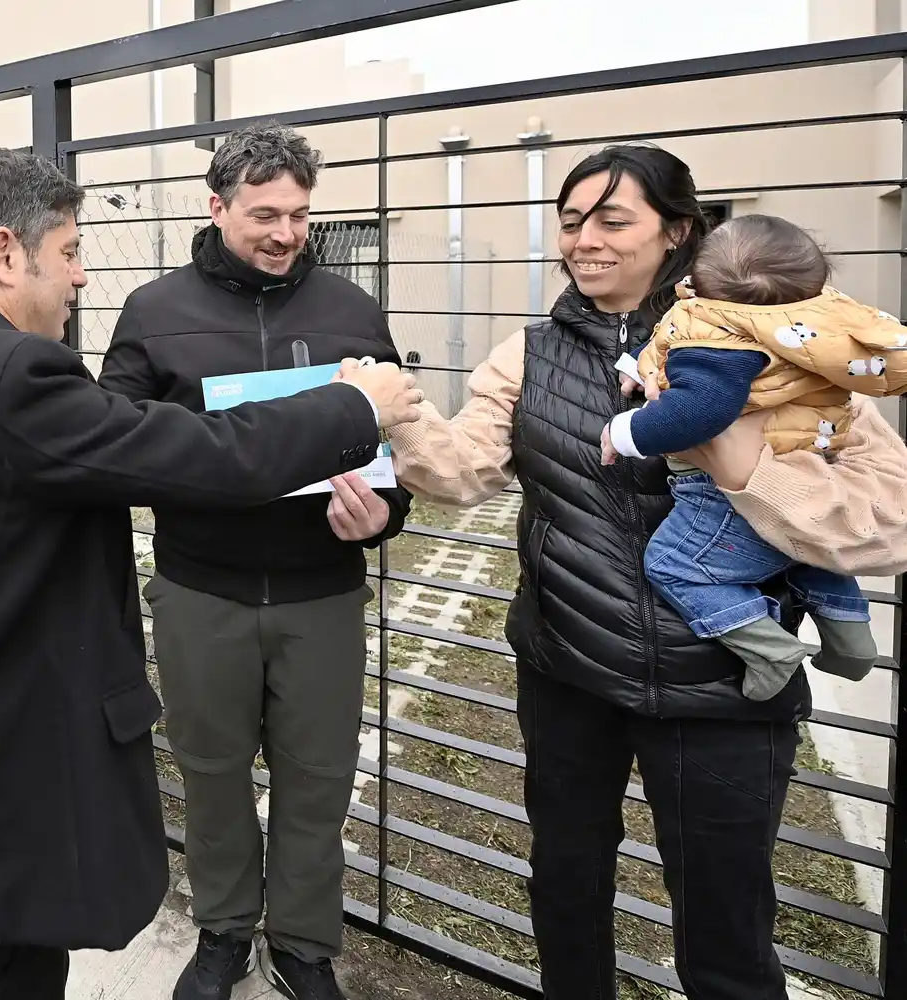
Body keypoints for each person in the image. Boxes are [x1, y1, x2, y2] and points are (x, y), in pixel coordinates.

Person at [0, 146, 421, 1000]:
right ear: (2, 254)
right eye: (68, 252)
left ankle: (297, 942)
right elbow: (197, 453)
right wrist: (357, 407)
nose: (82, 279)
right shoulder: (10, 375)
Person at [383, 142, 907, 1000]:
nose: (584, 240)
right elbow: (464, 473)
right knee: (565, 884)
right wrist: (399, 421)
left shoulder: (782, 341)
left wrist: (747, 469)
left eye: (612, 219)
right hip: (568, 672)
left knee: (726, 922)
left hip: (726, 688)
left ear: (677, 232)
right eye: (570, 221)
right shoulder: (527, 355)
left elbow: (889, 518)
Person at [97, 121, 410, 1000]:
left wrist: (381, 518)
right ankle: (225, 931)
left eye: (301, 217)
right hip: (202, 589)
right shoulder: (155, 311)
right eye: (265, 214)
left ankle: (305, 944)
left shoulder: (352, 310)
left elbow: (395, 444)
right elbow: (116, 440)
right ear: (218, 205)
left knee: (318, 778)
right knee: (211, 772)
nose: (285, 234)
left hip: (323, 591)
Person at [601, 214, 904, 702]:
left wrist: (624, 430)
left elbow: (697, 411)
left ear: (699, 281)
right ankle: (849, 633)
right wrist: (641, 363)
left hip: (718, 495)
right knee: (803, 551)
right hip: (812, 458)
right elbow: (676, 345)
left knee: (672, 565)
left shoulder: (718, 336)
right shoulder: (812, 325)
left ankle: (769, 650)